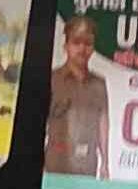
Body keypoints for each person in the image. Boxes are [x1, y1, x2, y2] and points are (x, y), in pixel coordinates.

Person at [43, 15, 110, 177]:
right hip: (55, 162)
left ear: (93, 48)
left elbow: (103, 123)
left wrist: (105, 163)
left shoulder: (99, 84)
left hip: (87, 164)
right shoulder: (53, 79)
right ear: (66, 46)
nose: (82, 49)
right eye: (76, 42)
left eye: (88, 43)